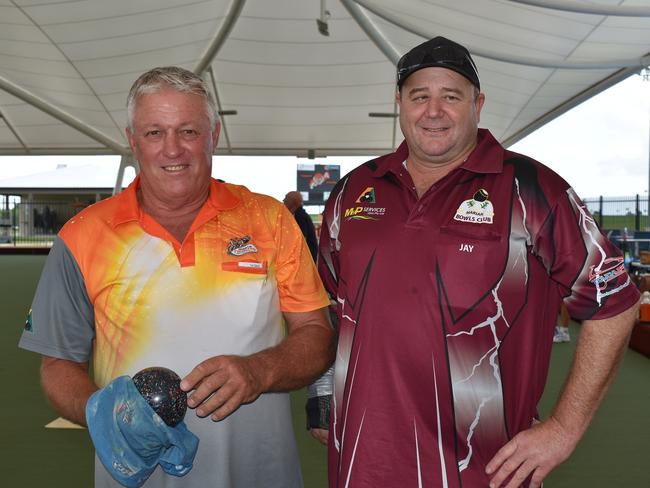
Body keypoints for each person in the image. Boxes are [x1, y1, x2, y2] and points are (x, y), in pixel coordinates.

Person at [311, 37, 639, 488]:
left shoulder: (532, 188)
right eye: (419, 96)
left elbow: (615, 304)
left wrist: (564, 429)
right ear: (399, 104)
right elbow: (330, 304)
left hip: (481, 469)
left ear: (477, 104)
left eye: (451, 96)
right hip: (362, 464)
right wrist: (322, 392)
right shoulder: (353, 190)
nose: (433, 110)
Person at [18, 66, 335, 488]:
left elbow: (316, 333)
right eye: (154, 133)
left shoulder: (268, 219)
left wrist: (261, 371)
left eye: (188, 131)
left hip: (261, 471)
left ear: (213, 136)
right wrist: (107, 412)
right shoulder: (82, 235)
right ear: (132, 140)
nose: (173, 150)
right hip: (141, 477)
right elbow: (57, 362)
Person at [283, 190, 318, 261]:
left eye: (286, 198)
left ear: (292, 201)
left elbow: (301, 239)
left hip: (306, 259)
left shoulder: (300, 216)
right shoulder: (300, 214)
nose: (283, 200)